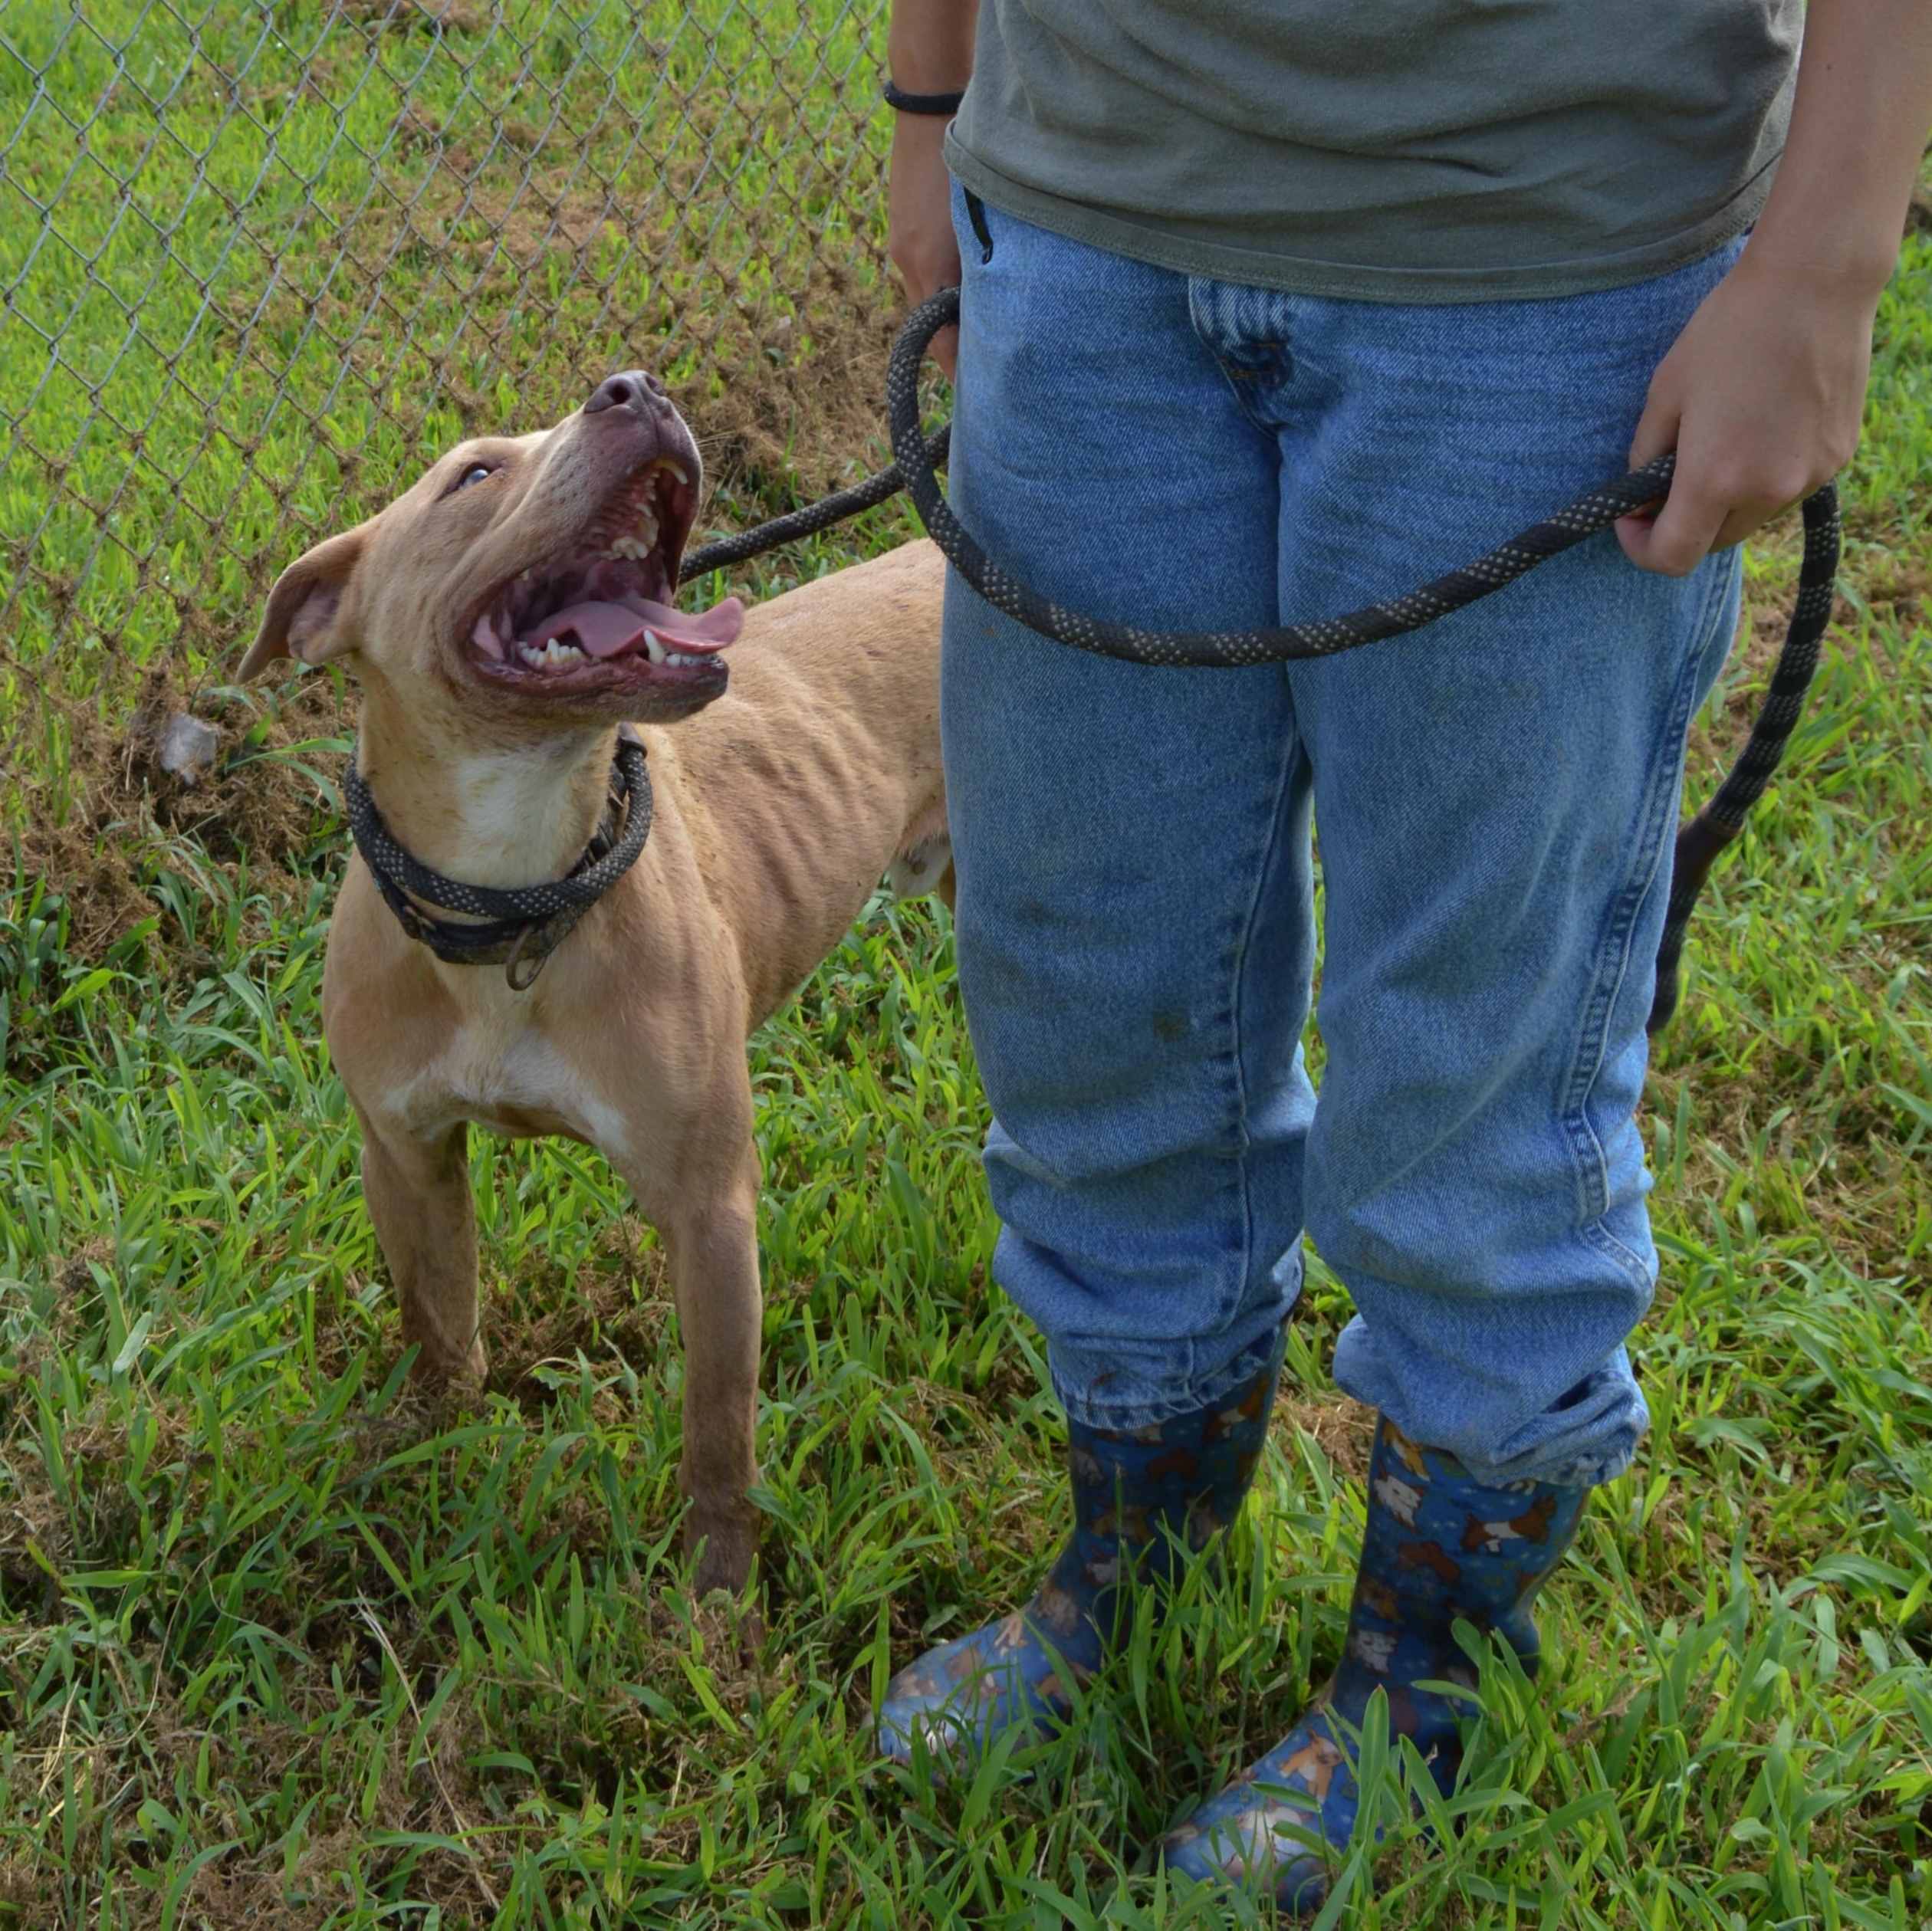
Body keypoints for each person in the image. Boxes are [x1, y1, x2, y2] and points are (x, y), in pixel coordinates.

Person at [871, 0, 1932, 1911]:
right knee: (1087, 967)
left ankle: (1431, 1671)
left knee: (1470, 1036)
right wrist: (930, 97)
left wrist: (1826, 259)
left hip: (1543, 256)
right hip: (1093, 207)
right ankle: (1141, 1545)